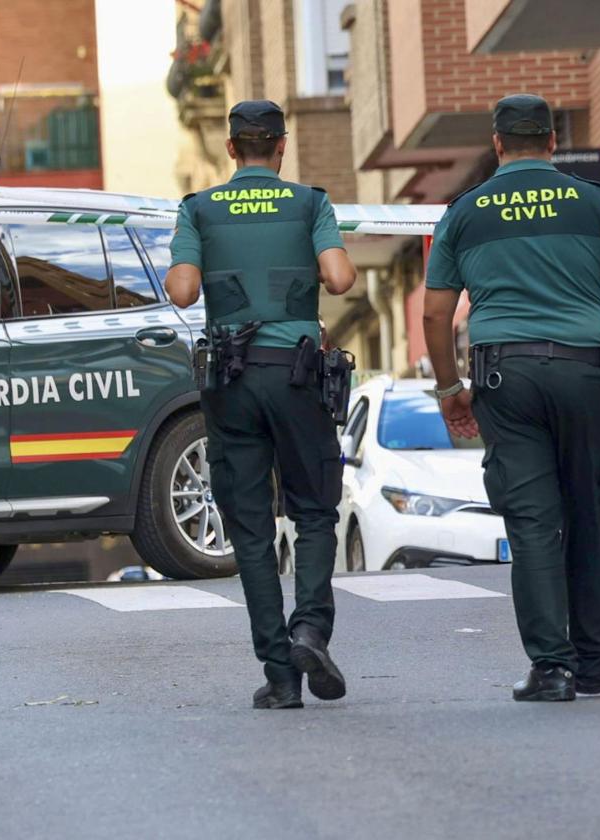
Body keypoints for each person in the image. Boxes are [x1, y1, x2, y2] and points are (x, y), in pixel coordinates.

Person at [422, 93, 600, 702]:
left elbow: (437, 314)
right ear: (550, 142)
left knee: (533, 523)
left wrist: (448, 389)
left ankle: (551, 668)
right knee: (588, 518)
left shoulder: (465, 212)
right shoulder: (593, 202)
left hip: (505, 379)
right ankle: (595, 659)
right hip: (588, 376)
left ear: (496, 144)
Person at [164, 100, 357, 710]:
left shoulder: (198, 208)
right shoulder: (309, 203)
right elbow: (342, 278)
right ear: (281, 147)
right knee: (315, 510)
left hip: (232, 380)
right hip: (296, 374)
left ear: (230, 150)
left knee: (249, 528)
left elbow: (183, 289)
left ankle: (280, 676)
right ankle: (310, 631)